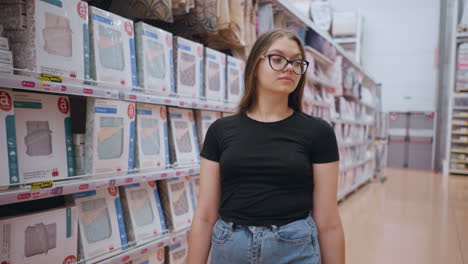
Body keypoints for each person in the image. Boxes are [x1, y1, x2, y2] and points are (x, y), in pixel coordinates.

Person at [187, 29, 344, 264]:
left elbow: (329, 221)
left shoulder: (318, 132)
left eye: (297, 62)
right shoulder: (220, 131)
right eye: (278, 59)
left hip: (294, 250)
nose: (289, 67)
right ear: (255, 65)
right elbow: (205, 216)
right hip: (230, 250)